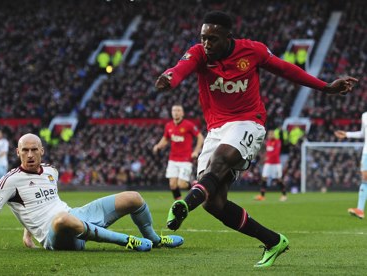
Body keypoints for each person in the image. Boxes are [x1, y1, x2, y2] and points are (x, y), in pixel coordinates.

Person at [154, 11, 358, 267]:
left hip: (248, 120)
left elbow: (286, 69)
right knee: (214, 203)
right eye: (204, 38)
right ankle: (273, 241)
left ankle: (186, 203)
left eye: (213, 39)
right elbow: (179, 68)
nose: (207, 44)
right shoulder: (199, 53)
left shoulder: (252, 51)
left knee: (222, 159)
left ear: (229, 38)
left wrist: (325, 86)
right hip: (216, 129)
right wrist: (169, 78)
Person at [0, 133, 183, 251]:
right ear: (17, 153)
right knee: (62, 219)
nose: (29, 154)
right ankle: (128, 242)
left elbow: (38, 204)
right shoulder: (9, 181)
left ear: (42, 151)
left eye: (33, 150)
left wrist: (26, 232)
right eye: (24, 150)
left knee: (133, 197)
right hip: (56, 235)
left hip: (76, 215)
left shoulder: (51, 172)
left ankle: (154, 239)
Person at [153, 104, 204, 200]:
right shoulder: (169, 126)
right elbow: (165, 139)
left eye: (178, 110)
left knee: (182, 184)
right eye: (174, 110)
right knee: (172, 184)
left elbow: (200, 137)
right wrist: (158, 146)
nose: (176, 112)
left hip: (185, 159)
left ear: (182, 113)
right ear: (171, 113)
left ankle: (196, 186)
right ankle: (179, 203)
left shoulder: (188, 125)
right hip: (173, 159)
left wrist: (196, 151)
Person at [334, 112, 367, 219]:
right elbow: (363, 134)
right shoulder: (365, 115)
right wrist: (347, 134)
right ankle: (360, 210)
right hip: (366, 153)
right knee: (365, 179)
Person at [254, 131, 287, 202]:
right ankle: (262, 196)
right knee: (264, 178)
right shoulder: (268, 142)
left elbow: (276, 152)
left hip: (276, 164)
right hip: (268, 163)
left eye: (271, 134)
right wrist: (265, 157)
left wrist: (267, 157)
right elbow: (268, 152)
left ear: (274, 135)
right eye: (269, 134)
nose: (269, 135)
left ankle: (284, 195)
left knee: (278, 179)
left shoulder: (278, 142)